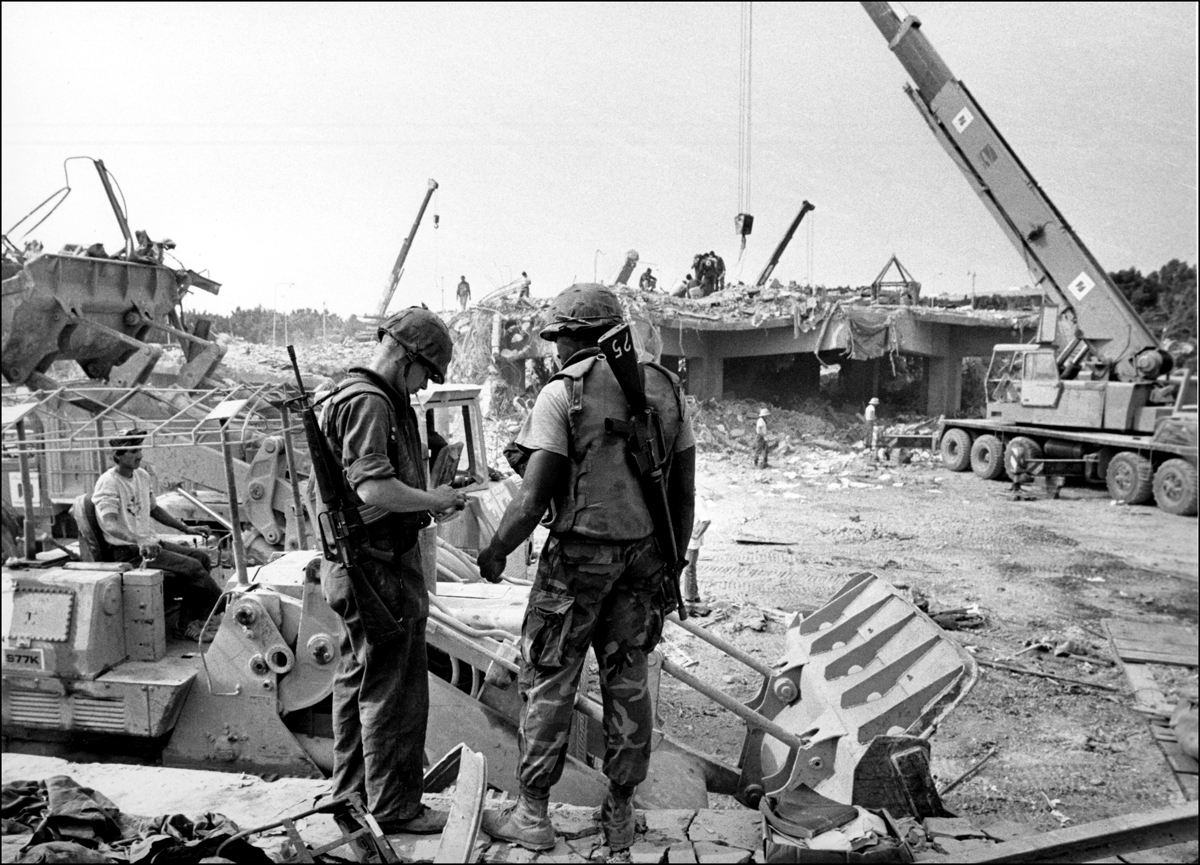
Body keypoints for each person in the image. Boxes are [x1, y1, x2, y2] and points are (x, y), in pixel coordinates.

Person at [476, 284, 695, 853]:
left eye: (559, 337)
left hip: (576, 559)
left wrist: (497, 551)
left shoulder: (563, 393)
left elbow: (533, 496)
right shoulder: (668, 389)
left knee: (550, 678)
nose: (554, 350)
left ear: (577, 335)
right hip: (645, 557)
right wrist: (669, 563)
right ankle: (620, 814)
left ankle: (533, 814)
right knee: (628, 681)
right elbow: (684, 492)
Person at [319, 306, 467, 835]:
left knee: (360, 680)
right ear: (406, 357)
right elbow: (373, 489)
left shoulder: (365, 396)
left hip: (365, 564)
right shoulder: (370, 401)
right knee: (395, 690)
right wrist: (434, 497)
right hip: (377, 567)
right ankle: (393, 808)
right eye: (426, 373)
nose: (426, 386)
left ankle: (349, 799)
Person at [93, 429, 221, 641]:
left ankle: (189, 622)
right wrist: (138, 539)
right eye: (133, 451)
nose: (140, 455)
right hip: (127, 551)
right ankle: (229, 605)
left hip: (150, 545)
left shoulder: (142, 476)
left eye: (140, 449)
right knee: (193, 568)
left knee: (201, 557)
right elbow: (110, 523)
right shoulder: (108, 482)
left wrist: (185, 529)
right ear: (117, 455)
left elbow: (154, 509)